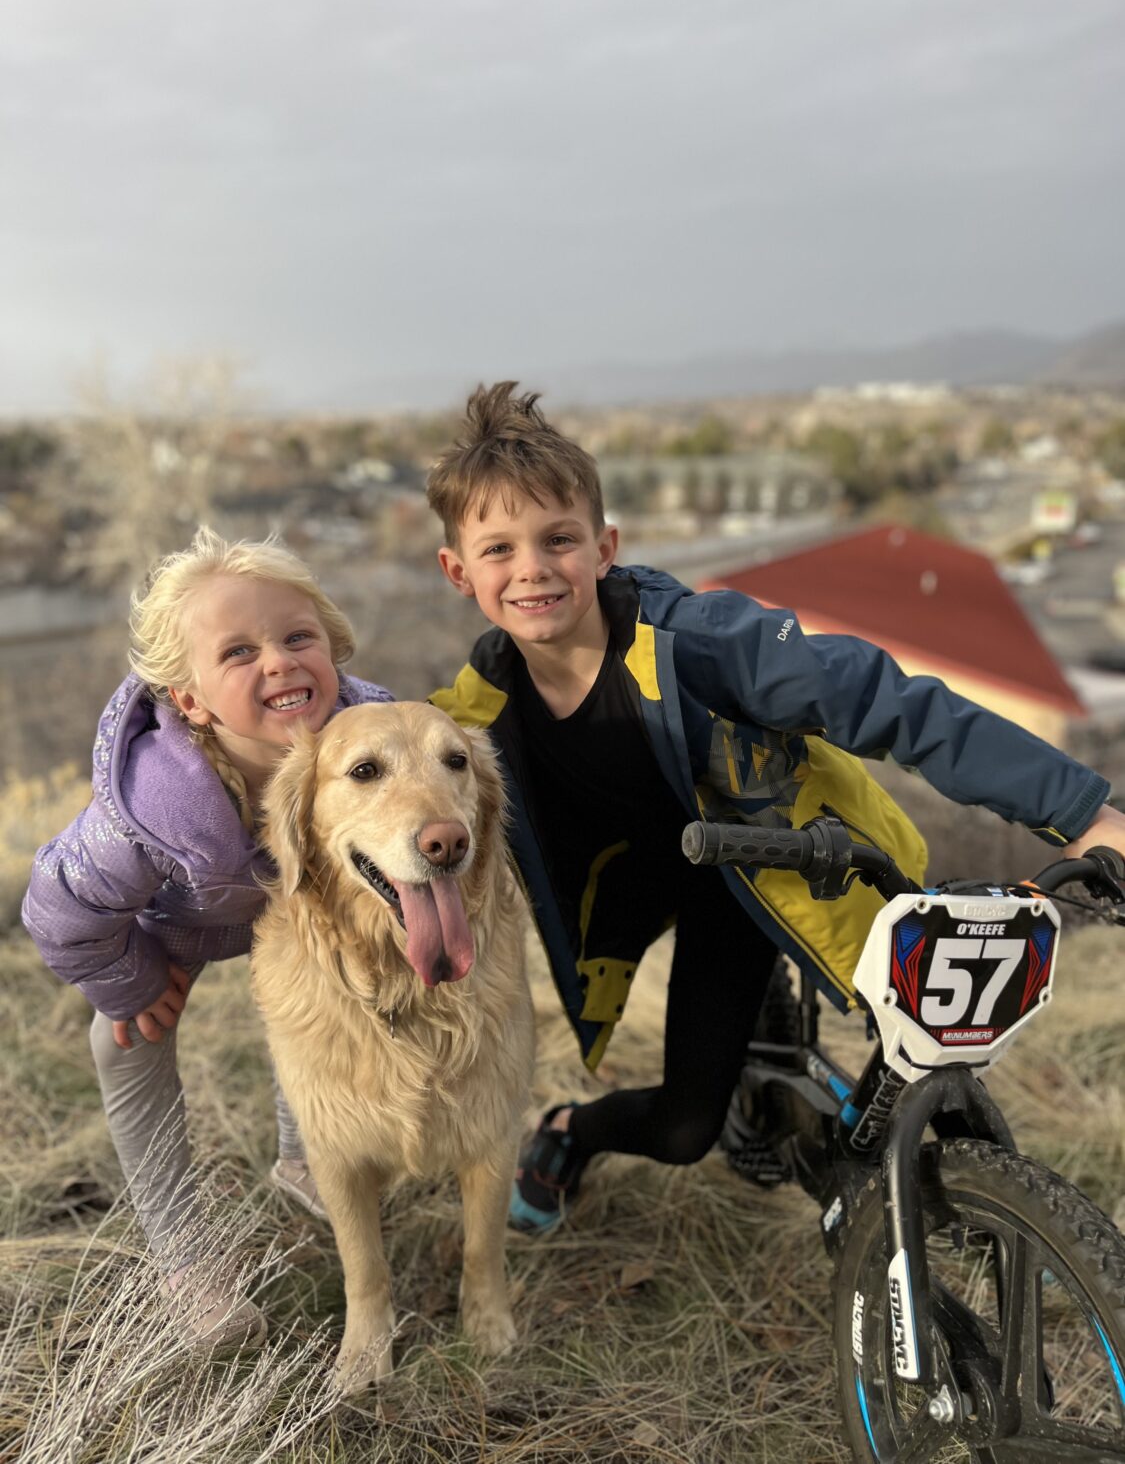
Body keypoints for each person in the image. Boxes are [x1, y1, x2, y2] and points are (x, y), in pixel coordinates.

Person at [427, 382, 1125, 1233]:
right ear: (458, 571)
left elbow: (890, 702)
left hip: (772, 866)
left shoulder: (703, 644)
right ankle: (571, 1128)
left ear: (604, 547)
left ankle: (954, 1203)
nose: (532, 567)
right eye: (498, 549)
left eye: (558, 539)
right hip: (630, 886)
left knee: (914, 1028)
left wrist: (1082, 813)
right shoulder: (471, 710)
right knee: (685, 1133)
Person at [22, 526, 393, 1346]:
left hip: (293, 922)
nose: (280, 661)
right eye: (239, 653)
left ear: (332, 648)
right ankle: (186, 1259)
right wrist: (133, 979)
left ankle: (304, 1154)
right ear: (188, 700)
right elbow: (59, 911)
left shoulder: (375, 739)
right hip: (173, 925)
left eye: (299, 637)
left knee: (321, 1003)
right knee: (124, 1040)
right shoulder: (155, 803)